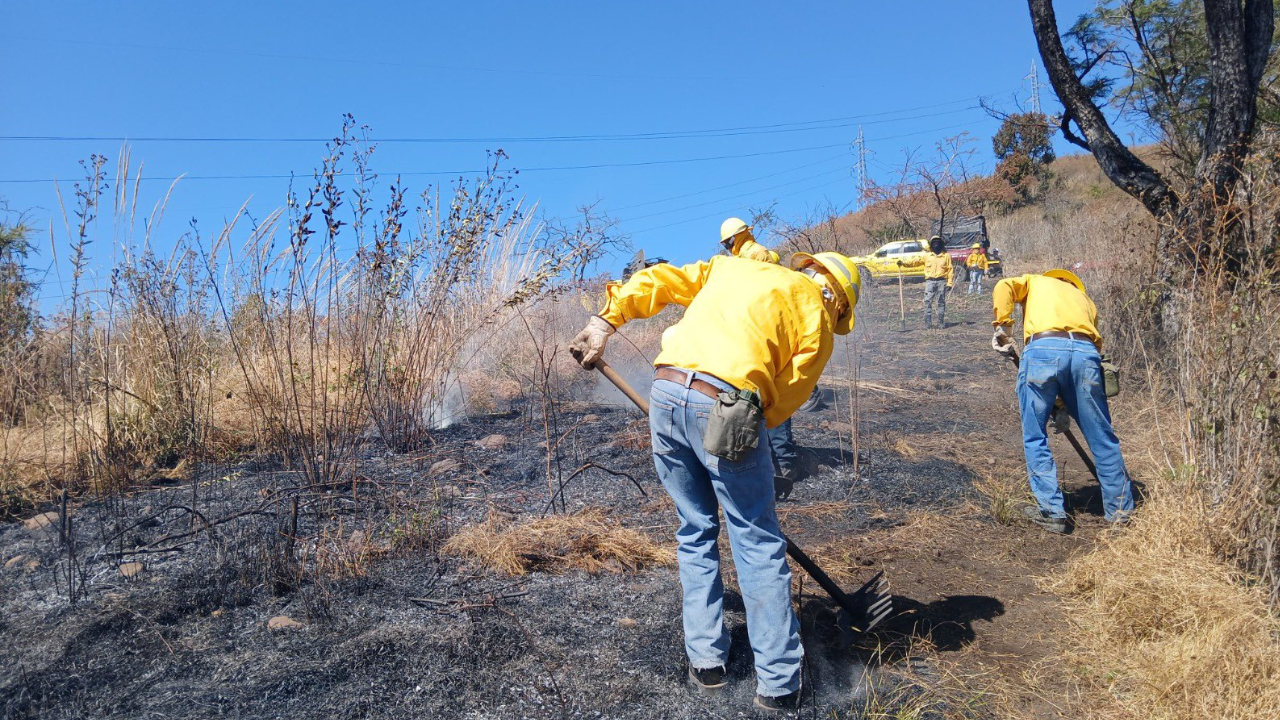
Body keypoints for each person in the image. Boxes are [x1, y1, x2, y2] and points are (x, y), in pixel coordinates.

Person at [569, 250, 861, 713]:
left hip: (666, 391)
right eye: (839, 310)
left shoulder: (733, 266)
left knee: (695, 529)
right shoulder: (818, 318)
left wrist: (604, 322)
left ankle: (707, 663)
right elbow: (784, 402)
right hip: (729, 407)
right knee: (756, 540)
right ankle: (779, 685)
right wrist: (740, 444)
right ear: (837, 299)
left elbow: (660, 280)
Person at [991, 269, 1134, 534]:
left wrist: (1004, 328)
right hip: (1086, 354)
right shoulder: (1085, 300)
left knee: (1035, 436)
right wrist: (1063, 406)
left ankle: (1052, 512)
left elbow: (1004, 286)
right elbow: (1074, 358)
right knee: (1103, 438)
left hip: (1042, 349)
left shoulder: (1035, 281)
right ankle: (1120, 513)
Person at [718, 217, 802, 496]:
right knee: (755, 401)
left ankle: (785, 465)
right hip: (751, 335)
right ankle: (771, 464)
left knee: (771, 399)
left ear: (739, 236)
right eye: (726, 243)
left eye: (729, 241)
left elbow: (763, 294)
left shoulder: (756, 255)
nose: (728, 246)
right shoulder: (740, 258)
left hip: (764, 334)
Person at [922, 235, 953, 328]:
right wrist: (902, 263)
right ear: (931, 245)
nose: (936, 244)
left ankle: (941, 323)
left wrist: (949, 283)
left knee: (941, 302)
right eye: (934, 243)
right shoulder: (927, 256)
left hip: (941, 282)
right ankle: (928, 324)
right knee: (927, 302)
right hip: (930, 282)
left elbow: (950, 270)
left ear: (941, 244)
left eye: (938, 242)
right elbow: (915, 261)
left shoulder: (946, 256)